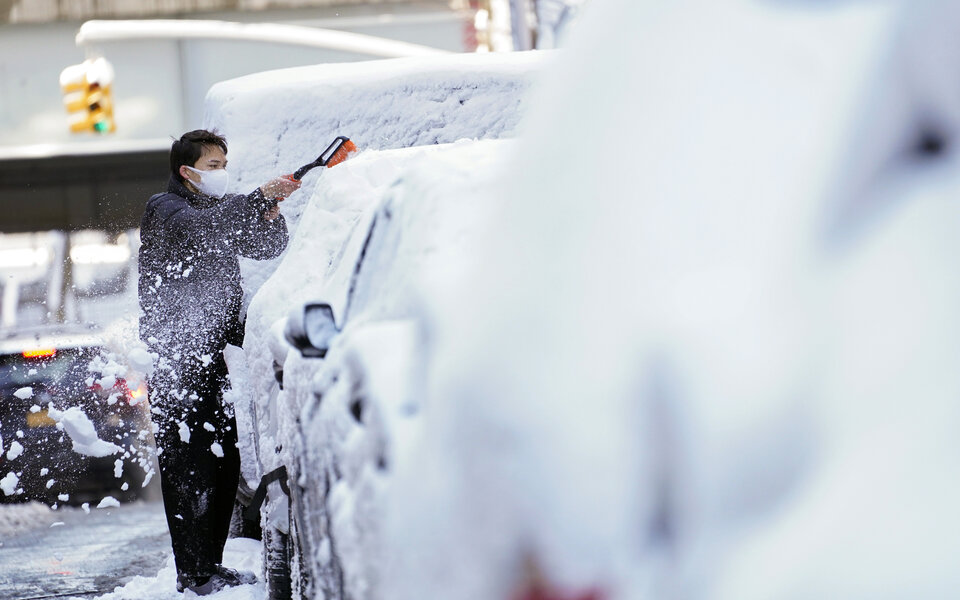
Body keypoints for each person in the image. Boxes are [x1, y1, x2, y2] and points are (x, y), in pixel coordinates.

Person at [138, 129, 301, 595]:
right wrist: (254, 197)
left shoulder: (212, 212)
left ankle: (210, 565)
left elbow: (265, 246)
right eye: (213, 166)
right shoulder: (165, 209)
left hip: (210, 359)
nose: (221, 173)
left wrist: (269, 214)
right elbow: (200, 231)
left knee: (223, 464)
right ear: (187, 172)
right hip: (176, 363)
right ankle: (193, 573)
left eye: (224, 164)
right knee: (188, 470)